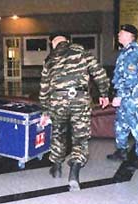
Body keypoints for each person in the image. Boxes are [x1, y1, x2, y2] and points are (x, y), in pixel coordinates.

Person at [39, 33, 110, 191]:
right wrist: (104, 94)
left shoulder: (49, 59)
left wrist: (45, 110)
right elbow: (99, 73)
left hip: (57, 101)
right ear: (68, 41)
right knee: (80, 138)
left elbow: (44, 88)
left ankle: (57, 168)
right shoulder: (82, 52)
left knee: (58, 133)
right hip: (79, 98)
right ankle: (74, 173)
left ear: (53, 43)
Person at [106, 24, 138, 169]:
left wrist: (121, 96)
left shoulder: (133, 53)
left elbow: (130, 78)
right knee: (121, 124)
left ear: (130, 36)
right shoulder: (125, 51)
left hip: (133, 94)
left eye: (122, 32)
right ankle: (121, 151)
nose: (118, 34)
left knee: (137, 125)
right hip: (126, 93)